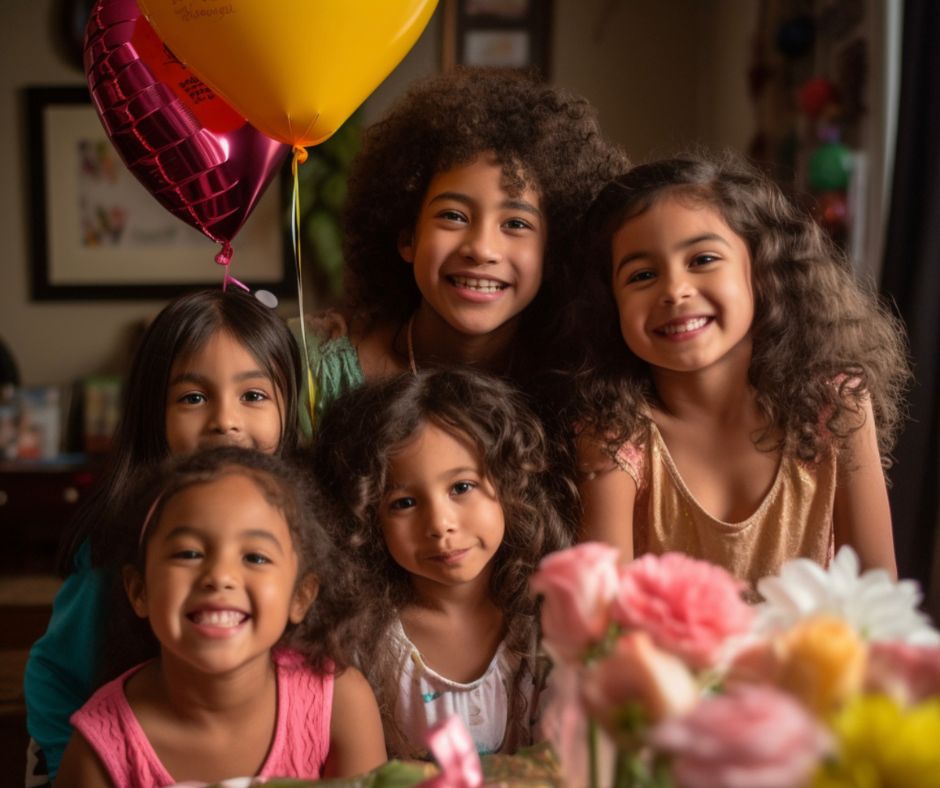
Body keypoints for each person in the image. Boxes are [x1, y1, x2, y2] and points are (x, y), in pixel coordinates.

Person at [571, 151, 910, 589]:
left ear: (763, 271)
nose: (675, 290)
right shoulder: (614, 437)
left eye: (703, 260)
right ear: (610, 304)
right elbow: (602, 628)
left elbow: (878, 601)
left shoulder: (836, 408)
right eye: (641, 276)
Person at [24, 289, 303, 783]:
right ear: (155, 413)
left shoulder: (309, 531)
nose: (226, 420)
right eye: (193, 398)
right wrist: (72, 763)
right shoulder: (114, 544)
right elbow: (56, 674)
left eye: (254, 395)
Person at [295, 66, 628, 428]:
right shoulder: (313, 372)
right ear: (407, 237)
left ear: (552, 254)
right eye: (453, 216)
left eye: (516, 224)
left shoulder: (585, 391)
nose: (481, 248)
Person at [55, 446, 386, 785]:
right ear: (140, 591)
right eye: (189, 553)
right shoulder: (98, 749)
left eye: (255, 558)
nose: (220, 575)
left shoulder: (339, 706)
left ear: (300, 596)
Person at [311, 368, 571, 758]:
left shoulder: (547, 620)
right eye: (404, 503)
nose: (439, 525)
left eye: (461, 487)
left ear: (509, 484)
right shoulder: (364, 639)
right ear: (369, 518)